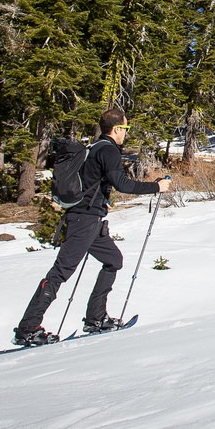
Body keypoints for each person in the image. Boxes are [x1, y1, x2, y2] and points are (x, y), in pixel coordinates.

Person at [13, 107, 168, 346]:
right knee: (60, 272)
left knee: (113, 260)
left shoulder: (94, 147)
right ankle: (28, 328)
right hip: (84, 220)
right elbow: (123, 184)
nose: (126, 133)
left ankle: (96, 318)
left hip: (90, 220)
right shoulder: (108, 150)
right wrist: (156, 187)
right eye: (126, 128)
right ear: (117, 129)